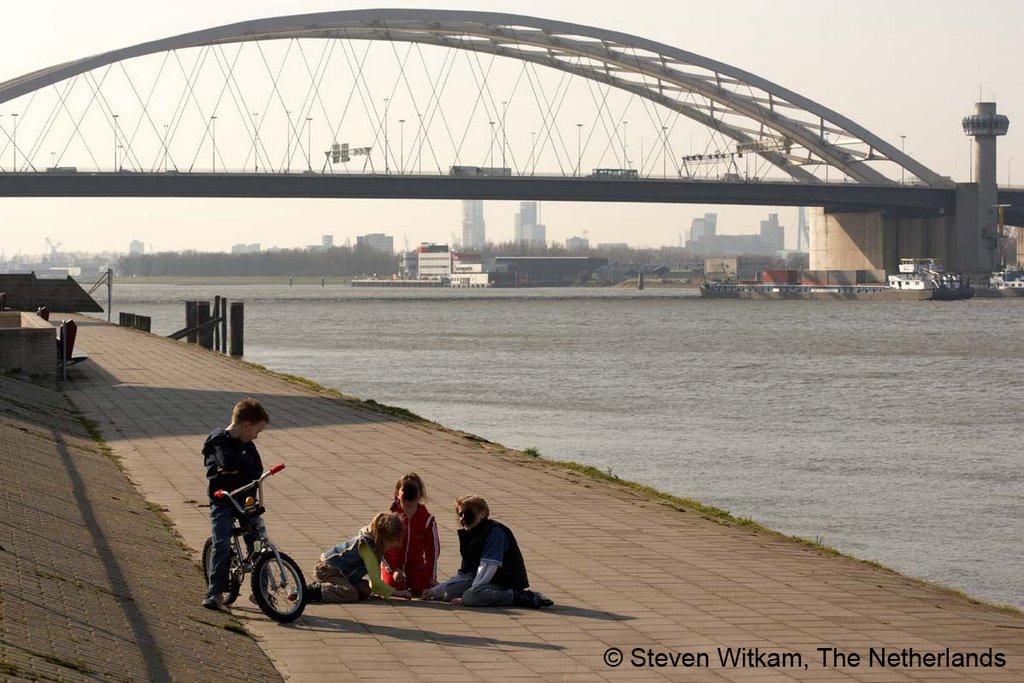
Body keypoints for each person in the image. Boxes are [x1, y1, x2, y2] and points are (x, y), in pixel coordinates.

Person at [421, 495, 553, 608]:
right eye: (460, 515)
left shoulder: (495, 532)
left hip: (503, 582)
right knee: (447, 593)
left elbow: (488, 567)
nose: (462, 519)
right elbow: (464, 573)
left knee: (470, 597)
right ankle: (476, 594)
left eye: (467, 514)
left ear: (482, 513)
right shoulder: (470, 534)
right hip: (481, 580)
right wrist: (435, 590)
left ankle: (519, 597)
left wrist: (469, 594)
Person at [202, 397, 269, 610]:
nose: (256, 437)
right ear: (246, 425)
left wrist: (238, 466)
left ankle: (262, 591)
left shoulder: (247, 445)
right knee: (221, 543)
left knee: (259, 542)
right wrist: (239, 464)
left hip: (246, 498)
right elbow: (227, 462)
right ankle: (215, 592)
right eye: (256, 431)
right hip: (223, 499)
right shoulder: (218, 441)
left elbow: (256, 469)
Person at [307, 512, 413, 603]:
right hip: (327, 569)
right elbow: (376, 580)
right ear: (383, 540)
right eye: (391, 545)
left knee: (365, 590)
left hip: (344, 574)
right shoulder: (367, 548)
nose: (391, 549)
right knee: (350, 593)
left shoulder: (376, 542)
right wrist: (397, 593)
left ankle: (329, 588)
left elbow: (374, 574)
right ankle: (311, 591)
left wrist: (379, 589)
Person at [381, 473, 440, 597]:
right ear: (397, 493)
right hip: (394, 564)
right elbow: (382, 547)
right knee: (394, 586)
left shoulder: (427, 520)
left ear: (421, 494)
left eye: (413, 490)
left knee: (422, 589)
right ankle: (384, 577)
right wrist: (393, 569)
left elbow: (432, 551)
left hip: (416, 564)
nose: (409, 493)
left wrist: (431, 577)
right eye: (405, 489)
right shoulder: (390, 518)